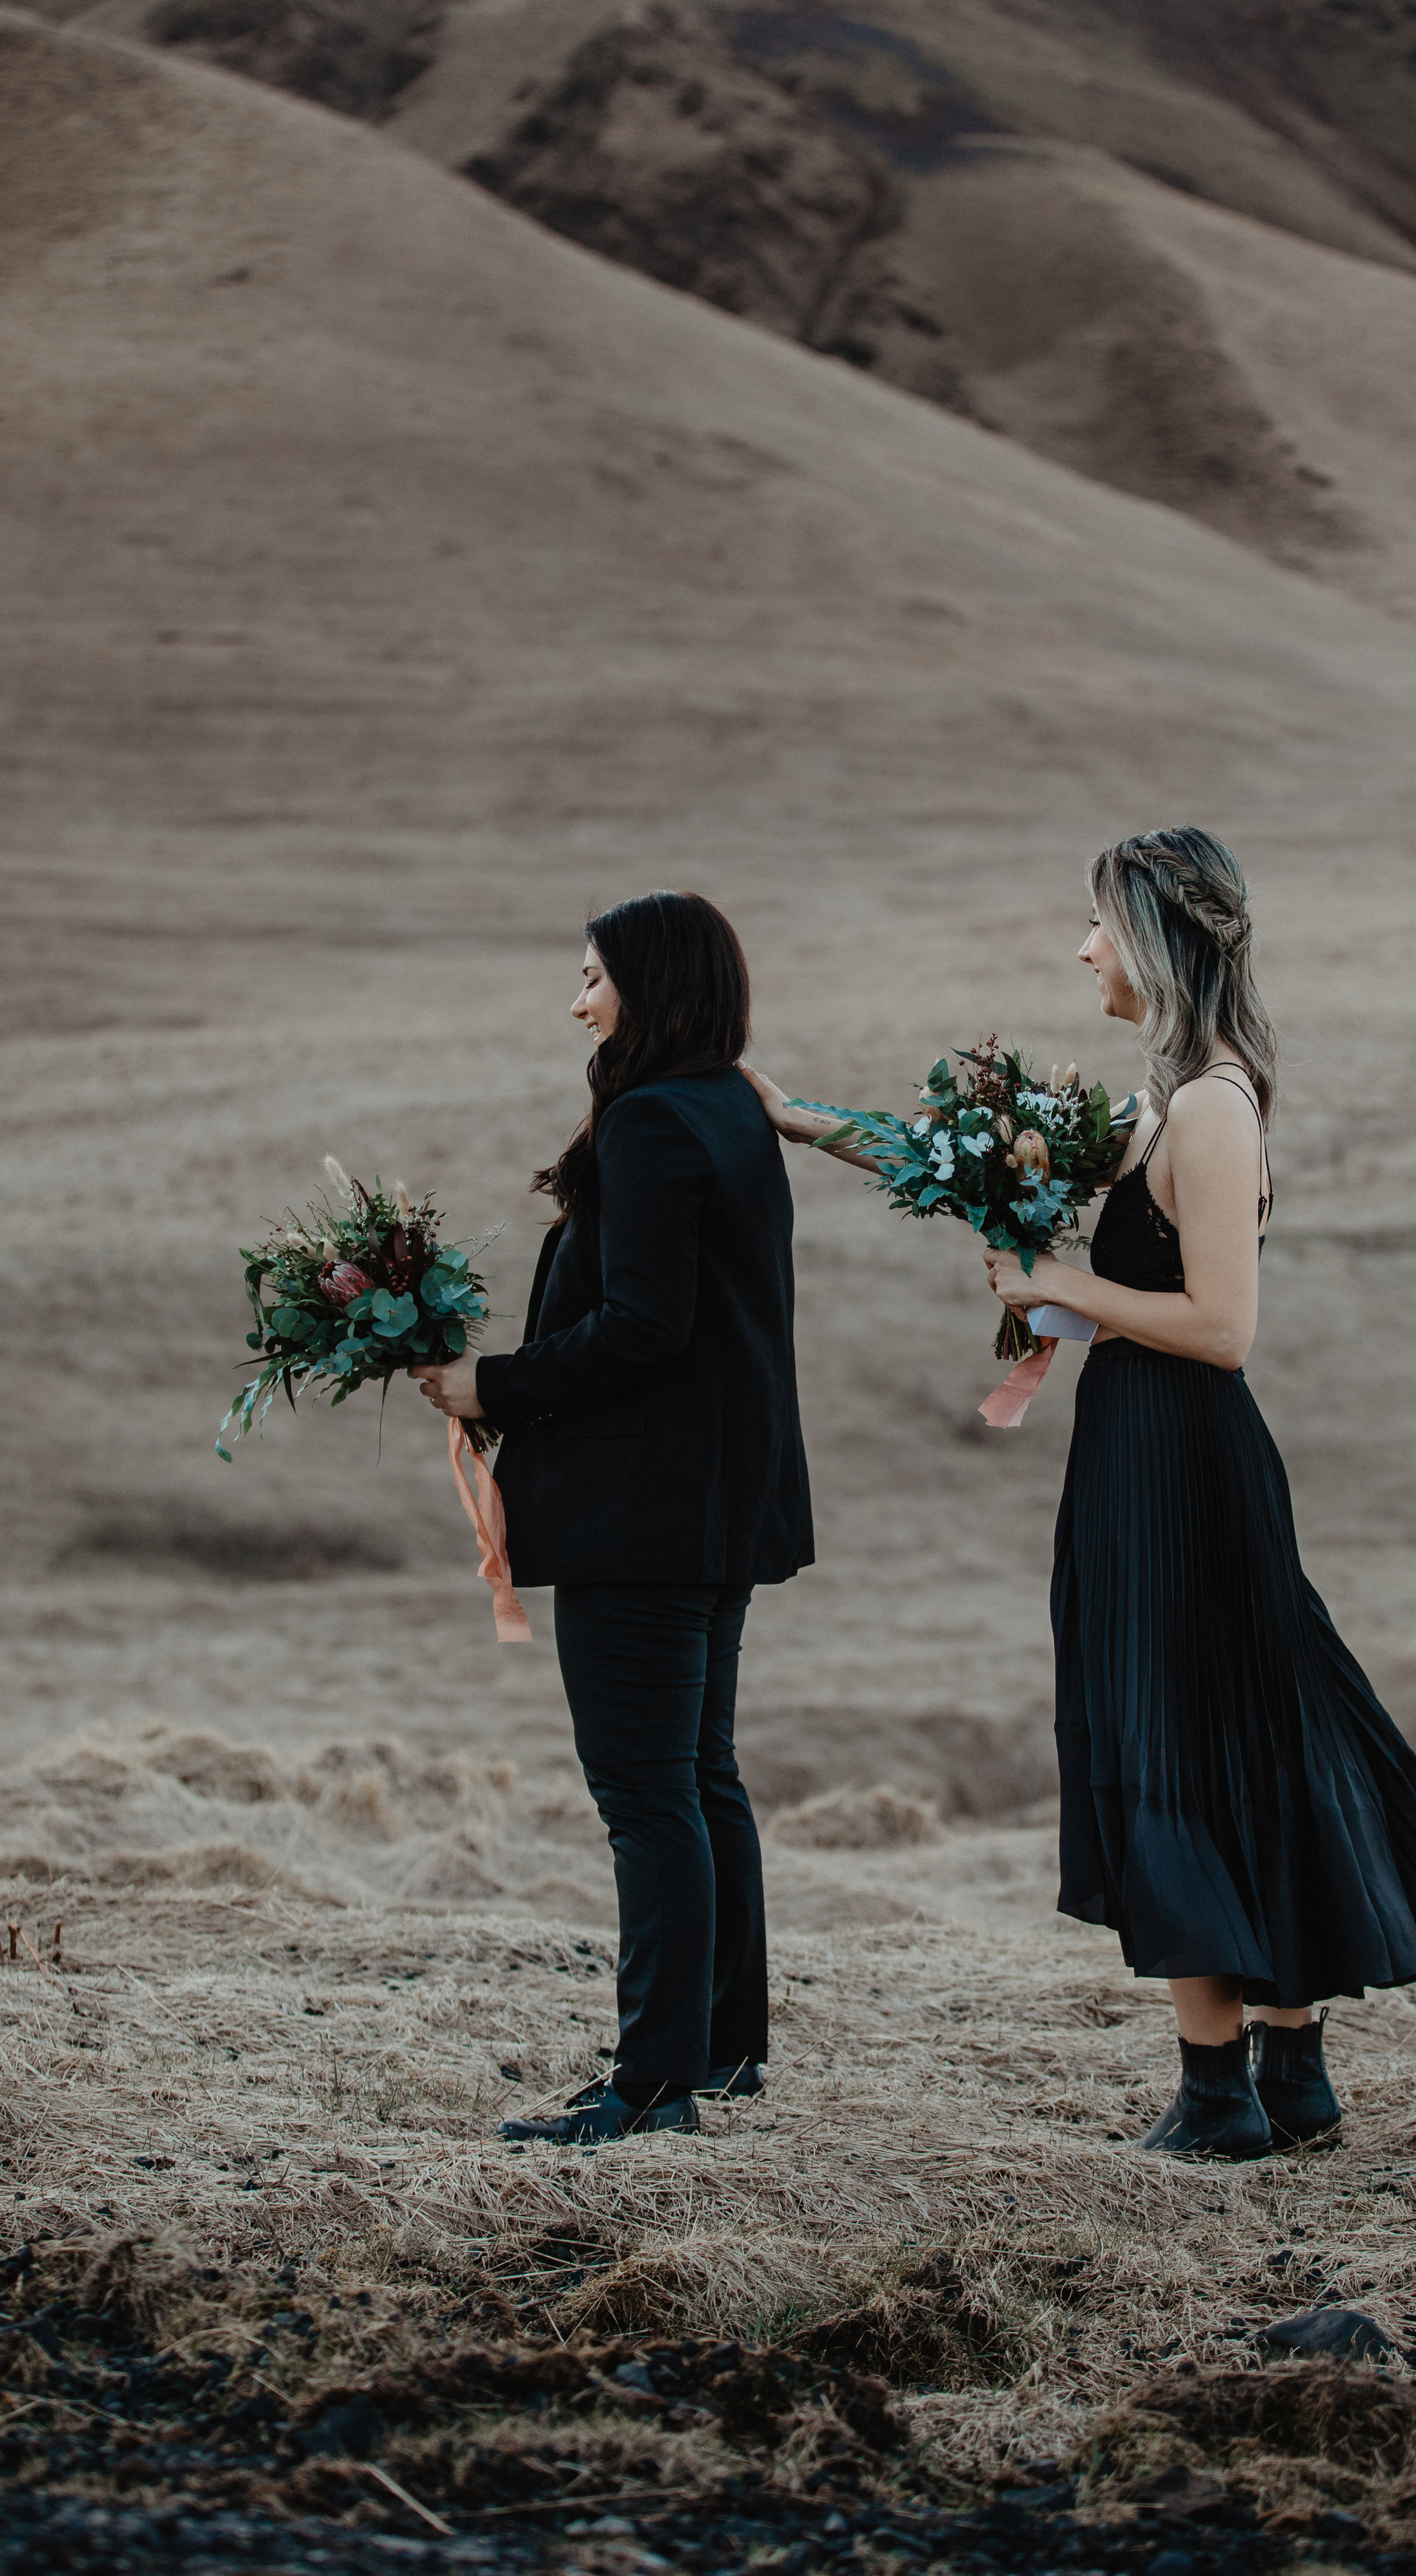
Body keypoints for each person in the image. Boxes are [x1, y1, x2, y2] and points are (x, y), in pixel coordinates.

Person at [749, 826, 1416, 2161]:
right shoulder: (1165, 1105)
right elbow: (964, 1161)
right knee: (1233, 1735)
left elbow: (1223, 1325)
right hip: (1148, 1448)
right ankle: (1290, 2075)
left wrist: (1057, 1286)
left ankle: (1220, 2093)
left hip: (1183, 1457)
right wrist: (805, 1121)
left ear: (1156, 941)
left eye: (1098, 923)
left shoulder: (1212, 1108)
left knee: (1182, 1737)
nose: (1082, 948)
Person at [411, 892, 813, 2145]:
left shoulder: (649, 1121)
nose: (578, 1000)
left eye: (594, 976)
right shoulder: (732, 1108)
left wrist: (495, 1385)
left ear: (651, 984)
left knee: (647, 1792)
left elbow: (645, 1325)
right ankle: (721, 2049)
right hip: (716, 1502)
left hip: (642, 1511)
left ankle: (649, 2089)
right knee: (700, 1775)